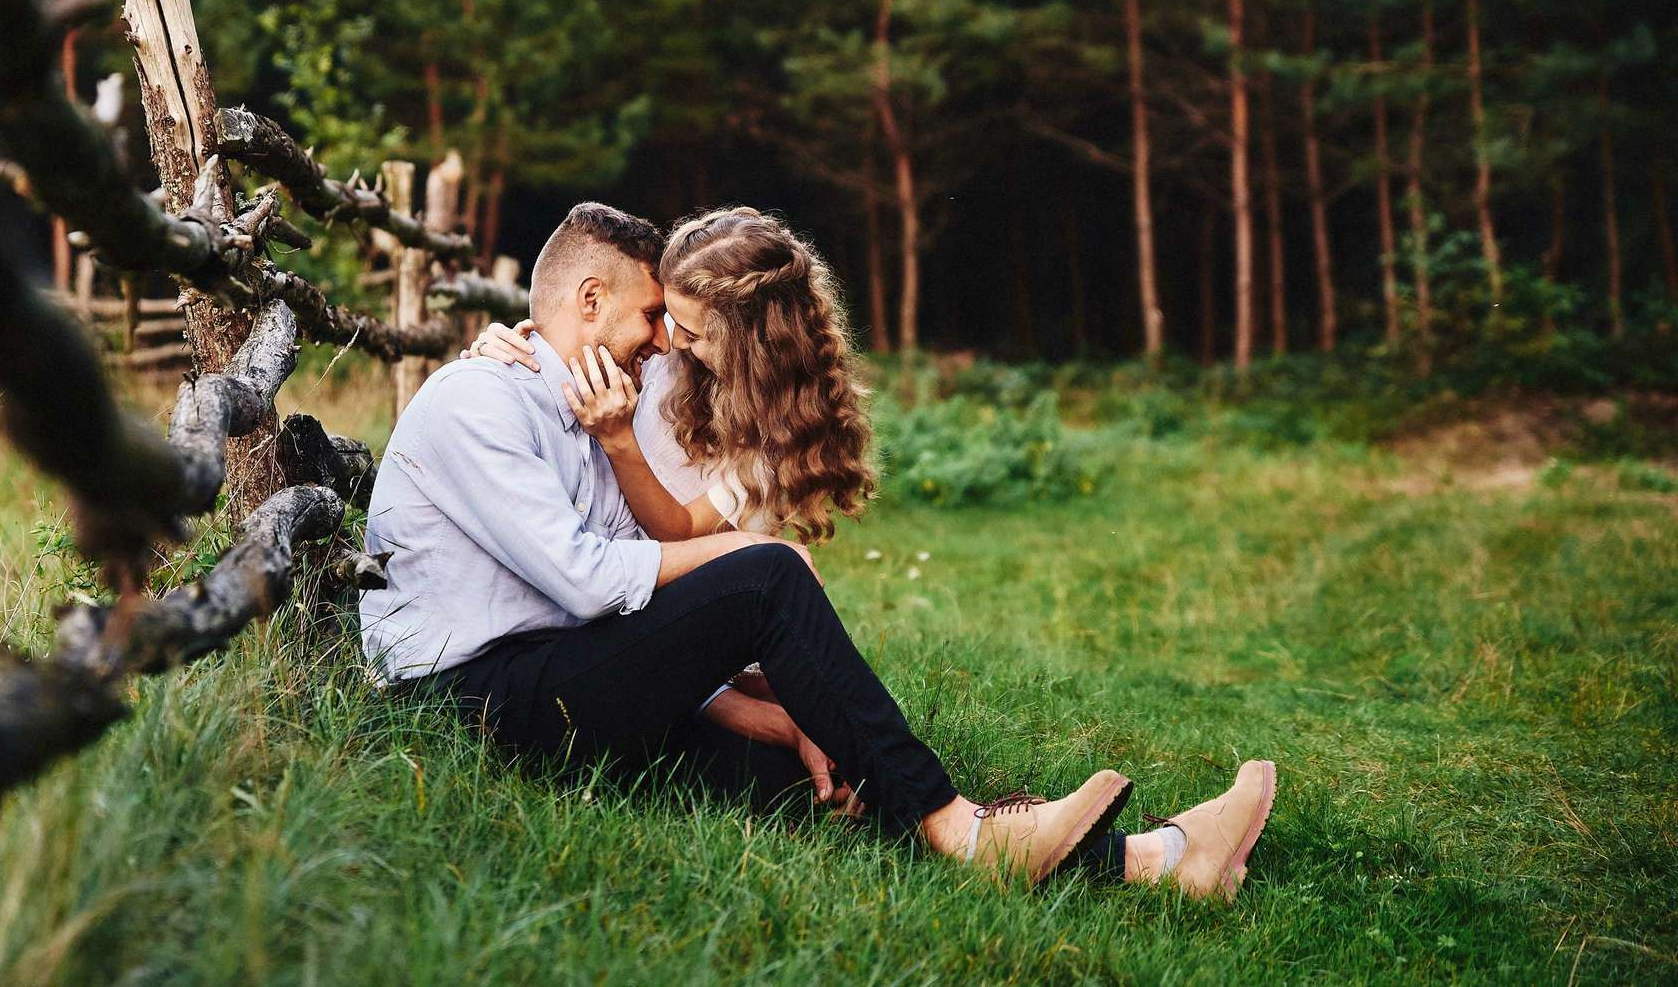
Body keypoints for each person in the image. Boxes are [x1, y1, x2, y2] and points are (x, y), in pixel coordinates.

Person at [361, 202, 1275, 897]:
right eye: (650, 320)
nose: (661, 345)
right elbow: (595, 582)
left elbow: (606, 589)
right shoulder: (482, 400)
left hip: (550, 678)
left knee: (818, 774)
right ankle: (962, 829)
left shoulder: (595, 409)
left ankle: (1159, 859)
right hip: (464, 703)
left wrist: (765, 708)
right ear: (591, 300)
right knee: (765, 575)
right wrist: (761, 574)